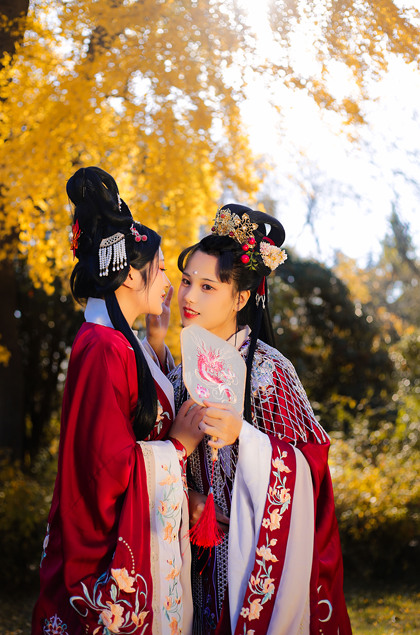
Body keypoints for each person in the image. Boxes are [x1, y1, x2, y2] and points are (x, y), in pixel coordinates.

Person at [32, 167, 205, 635]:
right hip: (105, 552)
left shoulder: (119, 342)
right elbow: (105, 467)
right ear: (130, 274)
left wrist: (157, 342)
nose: (168, 284)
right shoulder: (104, 347)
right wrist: (178, 448)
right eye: (161, 269)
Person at [167, 204, 352, 635]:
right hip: (191, 561)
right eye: (187, 281)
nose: (189, 297)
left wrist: (245, 437)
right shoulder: (177, 377)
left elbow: (309, 467)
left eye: (207, 287)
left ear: (241, 297)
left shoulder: (269, 372)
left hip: (254, 556)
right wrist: (188, 498)